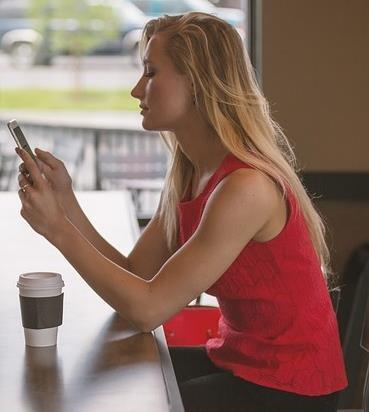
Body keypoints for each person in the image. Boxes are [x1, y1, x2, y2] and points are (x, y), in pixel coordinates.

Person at [16, 11, 347, 412]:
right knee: (113, 376)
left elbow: (147, 309)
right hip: (239, 362)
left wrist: (58, 230)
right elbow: (139, 276)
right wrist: (66, 205)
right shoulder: (192, 173)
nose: (137, 90)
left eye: (151, 73)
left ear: (197, 85)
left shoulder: (246, 188)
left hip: (291, 389)